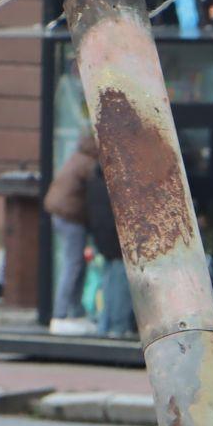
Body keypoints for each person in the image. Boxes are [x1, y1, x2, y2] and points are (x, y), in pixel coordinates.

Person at [43, 133, 100, 327]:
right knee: (73, 265)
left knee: (76, 265)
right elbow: (96, 192)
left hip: (60, 214)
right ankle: (61, 312)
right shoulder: (88, 164)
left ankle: (74, 310)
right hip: (71, 217)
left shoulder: (77, 157)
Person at [84, 161, 133, 337]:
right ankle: (118, 325)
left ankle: (105, 324)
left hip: (103, 239)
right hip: (116, 240)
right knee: (119, 284)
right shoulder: (114, 187)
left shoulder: (93, 185)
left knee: (108, 282)